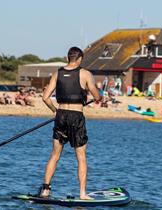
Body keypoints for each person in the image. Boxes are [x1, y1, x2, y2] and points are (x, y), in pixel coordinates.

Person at [40, 47, 102, 200]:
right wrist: (98, 97)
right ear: (80, 58)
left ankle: (45, 191)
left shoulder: (57, 73)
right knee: (81, 157)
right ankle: (82, 194)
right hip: (76, 116)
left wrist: (55, 111)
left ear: (68, 58)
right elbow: (97, 96)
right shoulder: (85, 73)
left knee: (55, 155)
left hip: (60, 116)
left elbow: (45, 98)